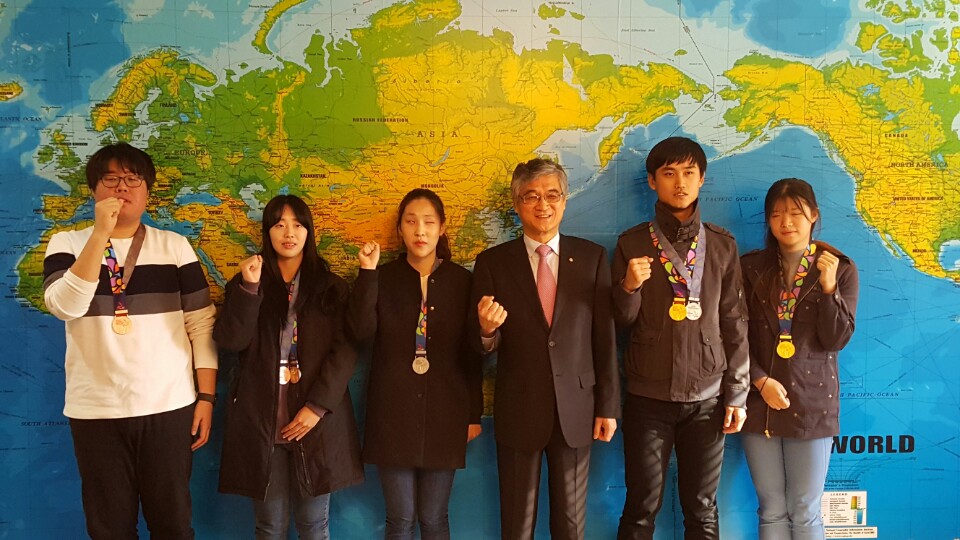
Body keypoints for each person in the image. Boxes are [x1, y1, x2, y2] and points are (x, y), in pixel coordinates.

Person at [42, 142, 217, 538]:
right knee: (110, 529)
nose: (122, 187)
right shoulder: (66, 244)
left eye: (133, 179)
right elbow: (65, 306)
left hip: (169, 406)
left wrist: (206, 397)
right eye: (111, 179)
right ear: (93, 190)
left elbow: (200, 325)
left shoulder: (174, 246)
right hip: (96, 411)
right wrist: (100, 235)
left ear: (147, 192)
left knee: (173, 526)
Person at [471, 158, 621, 540]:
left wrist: (607, 406)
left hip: (578, 409)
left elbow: (603, 339)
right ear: (516, 203)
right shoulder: (492, 263)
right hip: (518, 408)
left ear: (564, 201)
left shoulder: (591, 258)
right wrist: (485, 330)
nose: (543, 205)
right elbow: (480, 347)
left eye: (552, 195)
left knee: (570, 525)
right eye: (531, 196)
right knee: (517, 525)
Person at [612, 136, 749, 540]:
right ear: (652, 181)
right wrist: (628, 287)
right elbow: (620, 321)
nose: (680, 182)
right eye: (669, 173)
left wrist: (737, 394)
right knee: (641, 506)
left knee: (702, 509)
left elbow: (735, 323)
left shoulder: (721, 245)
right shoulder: (632, 243)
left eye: (689, 172)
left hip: (708, 400)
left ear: (702, 178)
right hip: (647, 398)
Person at [215, 194, 363, 539]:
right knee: (269, 527)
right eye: (279, 224)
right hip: (262, 423)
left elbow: (345, 351)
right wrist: (249, 288)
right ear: (267, 232)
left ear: (309, 232)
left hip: (315, 424)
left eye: (297, 224)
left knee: (314, 526)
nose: (289, 233)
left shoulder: (330, 287)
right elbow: (231, 341)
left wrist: (317, 407)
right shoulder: (246, 282)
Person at [348, 188, 483, 540]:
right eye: (410, 222)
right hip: (392, 413)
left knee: (434, 517)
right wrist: (367, 273)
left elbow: (472, 353)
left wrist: (473, 414)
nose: (420, 231)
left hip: (446, 412)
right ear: (400, 229)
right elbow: (360, 332)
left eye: (428, 222)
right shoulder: (382, 277)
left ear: (442, 228)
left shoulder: (462, 281)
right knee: (401, 519)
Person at [739, 178, 858, 539]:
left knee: (805, 510)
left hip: (811, 403)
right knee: (771, 508)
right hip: (758, 401)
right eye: (777, 214)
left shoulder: (840, 267)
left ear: (813, 215)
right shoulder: (750, 268)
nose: (786, 222)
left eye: (795, 213)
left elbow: (836, 339)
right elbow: (734, 335)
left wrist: (829, 288)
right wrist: (759, 380)